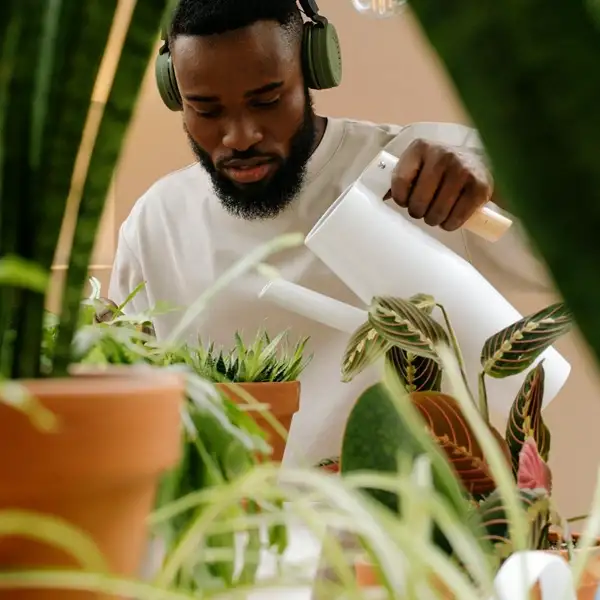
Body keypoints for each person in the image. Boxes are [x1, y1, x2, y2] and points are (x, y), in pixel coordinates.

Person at [109, 0, 555, 468]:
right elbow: (125, 405)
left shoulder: (420, 169)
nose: (239, 136)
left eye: (266, 100)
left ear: (311, 70)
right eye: (206, 110)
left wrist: (502, 177)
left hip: (425, 528)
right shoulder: (155, 222)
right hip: (237, 533)